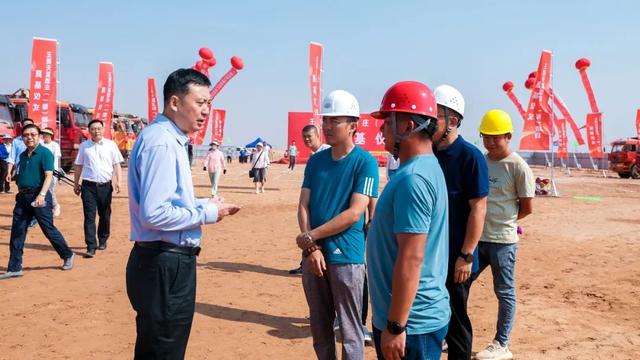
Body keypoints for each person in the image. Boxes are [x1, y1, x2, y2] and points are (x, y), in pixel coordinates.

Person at [126, 68, 241, 359]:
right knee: (164, 350)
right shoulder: (163, 142)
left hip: (161, 261)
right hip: (164, 264)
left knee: (159, 347)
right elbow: (155, 214)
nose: (205, 111)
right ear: (175, 102)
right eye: (200, 103)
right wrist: (207, 213)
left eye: (209, 104)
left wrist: (205, 205)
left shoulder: (166, 137)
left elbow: (169, 202)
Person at [367, 81, 450, 360]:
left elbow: (412, 257)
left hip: (411, 325)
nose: (381, 130)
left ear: (407, 126)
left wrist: (395, 325)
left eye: (387, 123)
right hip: (410, 319)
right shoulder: (423, 168)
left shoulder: (413, 178)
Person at [296, 89, 379, 359]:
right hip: (313, 257)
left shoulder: (365, 162)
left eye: (336, 121)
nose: (328, 126)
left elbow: (355, 213)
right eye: (326, 120)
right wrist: (311, 248)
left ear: (353, 126)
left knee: (351, 331)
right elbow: (303, 205)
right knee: (320, 329)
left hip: (347, 257)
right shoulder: (316, 161)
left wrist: (311, 238)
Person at [431, 85, 488, 360]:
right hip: (429, 255)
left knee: (456, 319)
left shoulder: (470, 157)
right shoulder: (427, 153)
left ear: (452, 121)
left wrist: (466, 255)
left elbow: (478, 208)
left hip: (456, 258)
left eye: (435, 117)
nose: (429, 123)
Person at [472, 109, 534, 360]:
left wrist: (506, 221)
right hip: (476, 239)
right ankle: (453, 334)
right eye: (486, 137)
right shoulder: (481, 161)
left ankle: (502, 343)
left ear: (508, 136)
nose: (490, 143)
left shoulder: (518, 167)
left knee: (504, 291)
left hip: (503, 243)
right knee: (459, 285)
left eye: (495, 137)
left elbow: (527, 207)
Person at [0, 124, 75, 280]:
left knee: (48, 229)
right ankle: (14, 267)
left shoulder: (45, 153)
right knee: (17, 231)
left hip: (39, 195)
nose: (29, 137)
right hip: (23, 197)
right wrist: (12, 175)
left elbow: (48, 176)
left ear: (39, 136)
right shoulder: (22, 155)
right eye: (26, 135)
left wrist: (41, 195)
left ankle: (67, 254)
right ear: (22, 138)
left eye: (33, 134)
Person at [73, 119, 124, 258]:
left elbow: (117, 165)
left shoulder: (111, 145)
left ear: (103, 129)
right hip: (88, 186)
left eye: (99, 128)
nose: (96, 131)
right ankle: (91, 246)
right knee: (89, 216)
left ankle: (103, 239)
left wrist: (119, 181)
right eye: (93, 129)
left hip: (105, 187)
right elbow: (79, 166)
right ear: (89, 131)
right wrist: (76, 183)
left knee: (105, 214)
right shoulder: (84, 146)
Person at [41, 127, 63, 217]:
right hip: (41, 171)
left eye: (46, 134)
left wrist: (55, 172)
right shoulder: (41, 144)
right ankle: (44, 208)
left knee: (50, 190)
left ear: (51, 135)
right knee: (42, 190)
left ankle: (55, 206)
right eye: (44, 134)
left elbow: (56, 160)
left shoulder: (55, 145)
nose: (44, 135)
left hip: (52, 172)